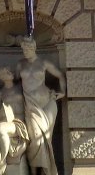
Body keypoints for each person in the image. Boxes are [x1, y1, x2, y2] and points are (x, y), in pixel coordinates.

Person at [15, 37, 64, 175]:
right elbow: (15, 84)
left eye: (28, 49)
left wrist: (62, 93)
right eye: (24, 49)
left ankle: (45, 172)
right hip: (30, 105)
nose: (25, 52)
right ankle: (35, 171)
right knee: (35, 138)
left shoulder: (44, 63)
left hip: (47, 104)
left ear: (34, 48)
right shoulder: (20, 64)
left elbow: (60, 75)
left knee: (45, 138)